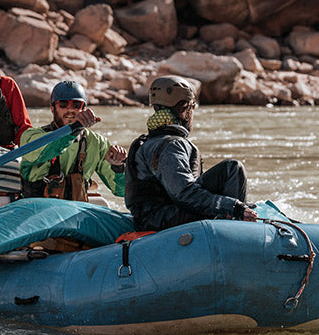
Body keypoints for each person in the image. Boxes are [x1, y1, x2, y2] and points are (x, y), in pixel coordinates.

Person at [124, 75, 257, 232]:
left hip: (153, 217)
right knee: (232, 169)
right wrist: (233, 207)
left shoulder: (148, 142)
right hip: (161, 221)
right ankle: (235, 231)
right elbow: (184, 193)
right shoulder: (171, 145)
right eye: (192, 107)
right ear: (184, 109)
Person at [20, 80, 128, 201]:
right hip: (35, 209)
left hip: (74, 211)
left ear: (84, 108)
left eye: (76, 105)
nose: (70, 109)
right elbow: (46, 150)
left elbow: (122, 191)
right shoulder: (31, 136)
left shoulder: (97, 143)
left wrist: (118, 168)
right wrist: (73, 131)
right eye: (63, 104)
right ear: (52, 108)